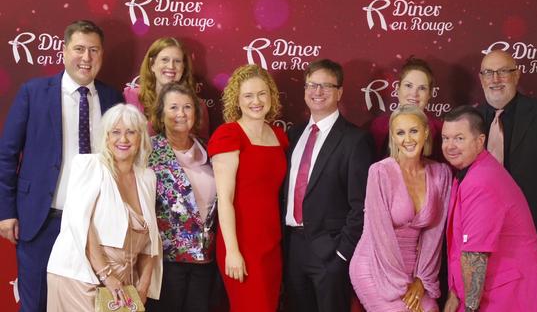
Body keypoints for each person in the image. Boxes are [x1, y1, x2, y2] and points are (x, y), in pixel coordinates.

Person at [0, 20, 123, 312]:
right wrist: (6, 213)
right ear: (64, 51)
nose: (86, 57)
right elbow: (6, 154)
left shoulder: (112, 98)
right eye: (79, 48)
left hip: (96, 225)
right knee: (37, 304)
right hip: (43, 220)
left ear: (102, 55)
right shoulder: (34, 92)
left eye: (94, 50)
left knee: (88, 305)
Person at [441, 105, 537, 312]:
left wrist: (468, 308)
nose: (450, 145)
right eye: (446, 138)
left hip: (516, 298)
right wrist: (454, 293)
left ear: (480, 141)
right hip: (500, 294)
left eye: (459, 138)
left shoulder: (481, 181)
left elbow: (474, 255)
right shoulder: (468, 172)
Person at [46, 103, 162, 311]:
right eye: (115, 132)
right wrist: (107, 276)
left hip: (123, 282)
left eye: (131, 132)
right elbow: (81, 223)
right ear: (106, 137)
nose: (123, 139)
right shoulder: (89, 165)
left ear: (141, 138)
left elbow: (151, 239)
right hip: (80, 275)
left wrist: (143, 287)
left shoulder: (147, 177)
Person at [282, 59, 375, 312]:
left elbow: (362, 206)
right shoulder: (293, 135)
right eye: (312, 85)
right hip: (293, 248)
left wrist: (341, 254)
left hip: (330, 252)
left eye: (326, 86)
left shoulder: (356, 140)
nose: (317, 92)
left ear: (340, 92)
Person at [476, 49, 537, 266]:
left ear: (517, 74)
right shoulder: (470, 120)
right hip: (484, 234)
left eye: (503, 71)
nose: (495, 79)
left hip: (536, 233)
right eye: (489, 73)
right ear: (481, 79)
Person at [350, 105, 451, 312]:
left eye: (413, 131)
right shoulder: (380, 172)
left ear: (425, 132)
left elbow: (434, 236)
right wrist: (400, 285)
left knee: (431, 309)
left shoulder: (441, 174)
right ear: (393, 138)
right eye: (400, 133)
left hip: (414, 271)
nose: (408, 139)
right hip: (375, 265)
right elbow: (380, 236)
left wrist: (421, 279)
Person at [207, 64, 288, 311]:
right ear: (237, 100)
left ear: (271, 96)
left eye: (262, 94)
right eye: (248, 95)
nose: (256, 101)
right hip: (242, 243)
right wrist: (232, 250)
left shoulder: (279, 136)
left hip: (271, 242)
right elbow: (225, 199)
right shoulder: (228, 135)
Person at [146, 83, 219, 312]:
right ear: (160, 113)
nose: (181, 114)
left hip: (206, 260)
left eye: (187, 107)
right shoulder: (148, 151)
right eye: (173, 107)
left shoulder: (210, 149)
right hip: (167, 262)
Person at [124, 37, 210, 139]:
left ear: (184, 67)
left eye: (177, 61)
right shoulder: (132, 97)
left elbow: (203, 146)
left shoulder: (198, 105)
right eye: (165, 60)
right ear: (152, 64)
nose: (171, 66)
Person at [370, 57, 444, 161]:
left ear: (430, 94)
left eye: (422, 88)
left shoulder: (441, 130)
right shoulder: (378, 127)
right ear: (398, 89)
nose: (414, 94)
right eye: (408, 86)